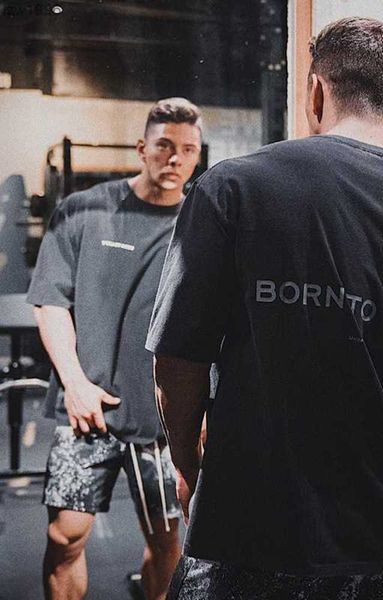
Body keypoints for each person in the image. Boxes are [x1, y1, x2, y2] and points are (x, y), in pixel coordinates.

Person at [147, 17, 383, 600]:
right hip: (382, 553)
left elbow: (177, 361)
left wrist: (190, 462)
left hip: (244, 533)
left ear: (314, 92)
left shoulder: (231, 189)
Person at [27, 97, 202, 600]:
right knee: (65, 536)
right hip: (88, 407)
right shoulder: (85, 210)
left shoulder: (201, 224)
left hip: (163, 416)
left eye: (187, 149)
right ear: (142, 148)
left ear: (197, 156)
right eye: (164, 145)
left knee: (167, 543)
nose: (175, 157)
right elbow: (50, 301)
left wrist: (202, 409)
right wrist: (74, 383)